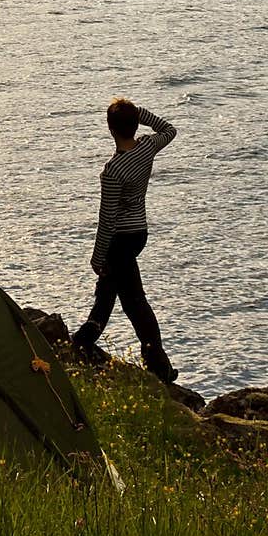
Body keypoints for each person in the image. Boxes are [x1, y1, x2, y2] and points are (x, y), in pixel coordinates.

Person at [72, 98, 179, 383]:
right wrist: (138, 113)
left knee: (133, 302)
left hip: (119, 238)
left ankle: (159, 367)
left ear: (110, 128)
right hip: (138, 233)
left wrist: (97, 257)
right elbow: (169, 129)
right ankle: (81, 344)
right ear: (135, 124)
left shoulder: (113, 171)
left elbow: (107, 220)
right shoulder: (147, 148)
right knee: (110, 295)